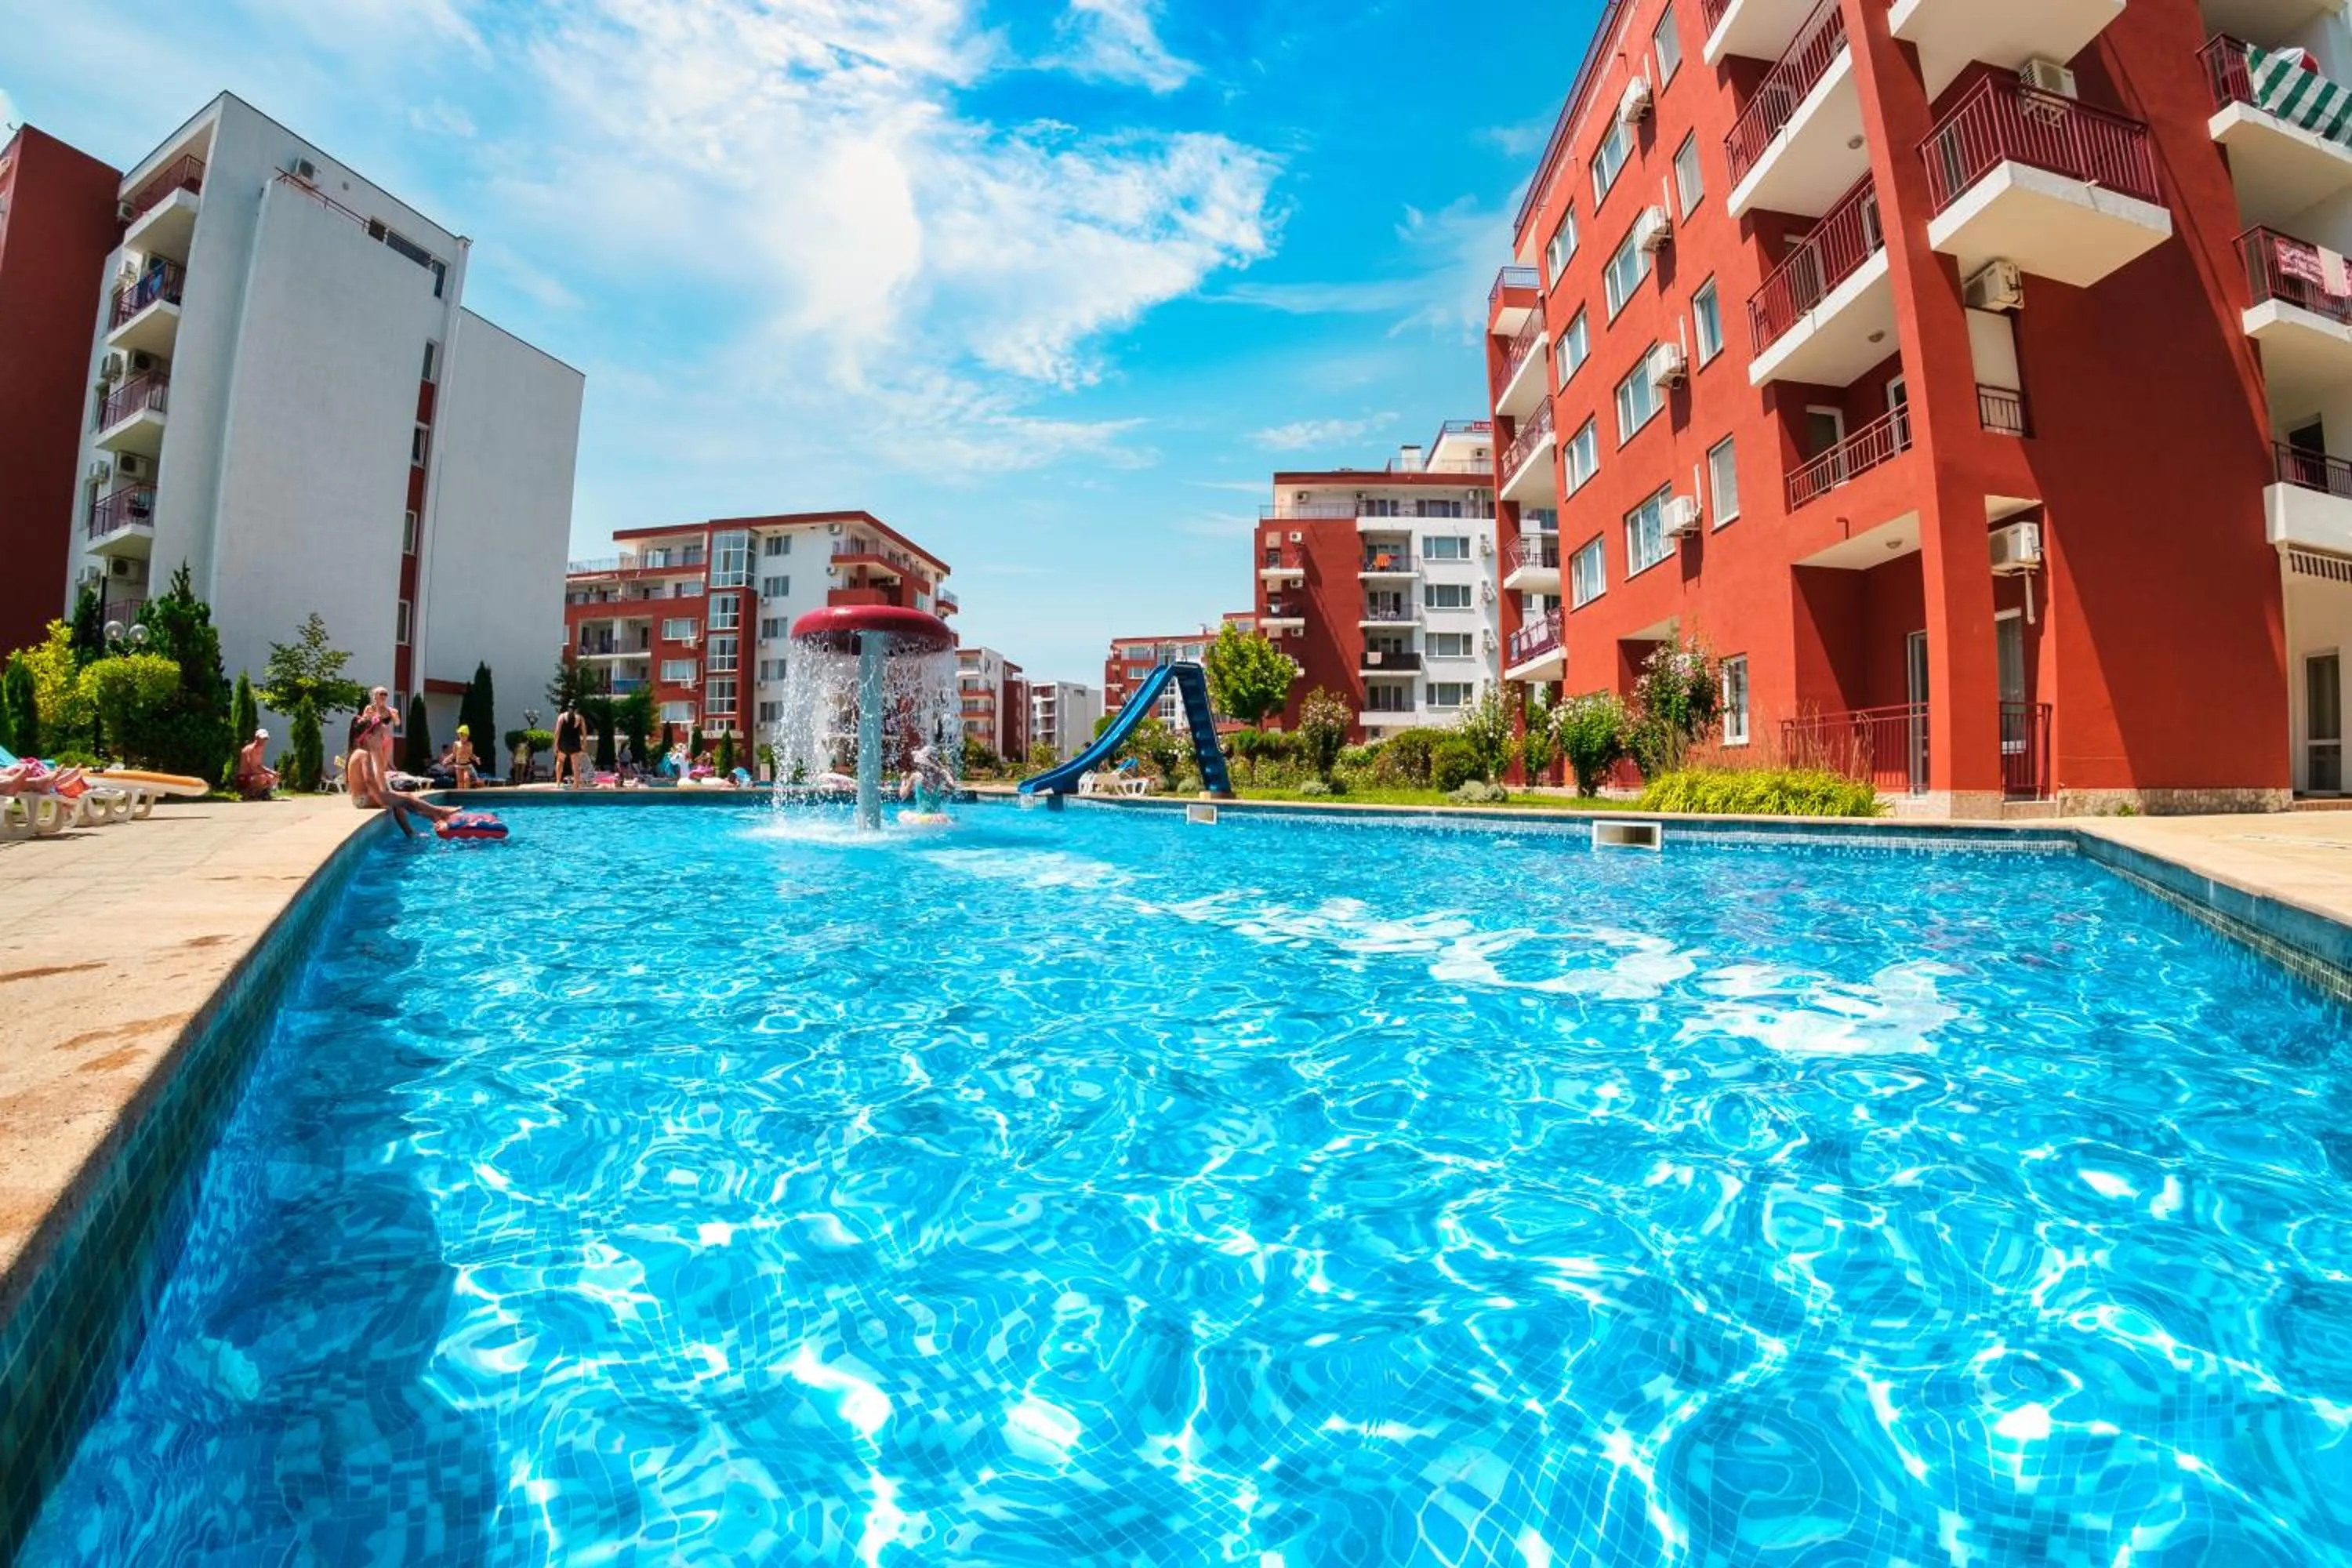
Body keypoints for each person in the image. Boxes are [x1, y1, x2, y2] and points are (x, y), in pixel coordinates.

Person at [343, 741, 463, 837]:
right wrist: (381, 797)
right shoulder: (363, 753)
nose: (380, 740)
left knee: (401, 800)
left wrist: (387, 795)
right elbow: (369, 780)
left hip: (361, 798)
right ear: (369, 737)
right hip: (363, 799)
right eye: (378, 736)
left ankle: (419, 827)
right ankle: (438, 813)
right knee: (406, 798)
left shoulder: (358, 752)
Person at [234, 728, 277, 800]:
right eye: (263, 738)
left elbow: (259, 765)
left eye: (266, 739)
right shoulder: (250, 749)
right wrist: (266, 775)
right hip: (245, 777)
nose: (264, 741)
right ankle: (248, 794)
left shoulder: (260, 749)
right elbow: (252, 767)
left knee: (274, 776)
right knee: (263, 778)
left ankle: (260, 793)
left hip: (254, 775)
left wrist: (271, 772)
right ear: (257, 738)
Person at [553, 706, 586, 788]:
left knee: (560, 762)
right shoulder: (580, 718)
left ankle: (558, 783)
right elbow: (584, 732)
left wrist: (555, 744)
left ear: (568, 708)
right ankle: (576, 785)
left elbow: (557, 731)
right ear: (577, 709)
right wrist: (584, 744)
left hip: (564, 742)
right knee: (575, 765)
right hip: (574, 743)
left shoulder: (561, 716)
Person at [450, 724, 477, 789]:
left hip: (467, 765)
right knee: (460, 781)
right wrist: (447, 759)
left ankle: (466, 793)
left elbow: (471, 755)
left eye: (463, 736)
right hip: (459, 765)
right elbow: (454, 754)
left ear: (467, 736)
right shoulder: (456, 744)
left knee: (467, 779)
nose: (462, 737)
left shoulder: (469, 744)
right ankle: (460, 794)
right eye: (460, 736)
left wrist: (476, 759)